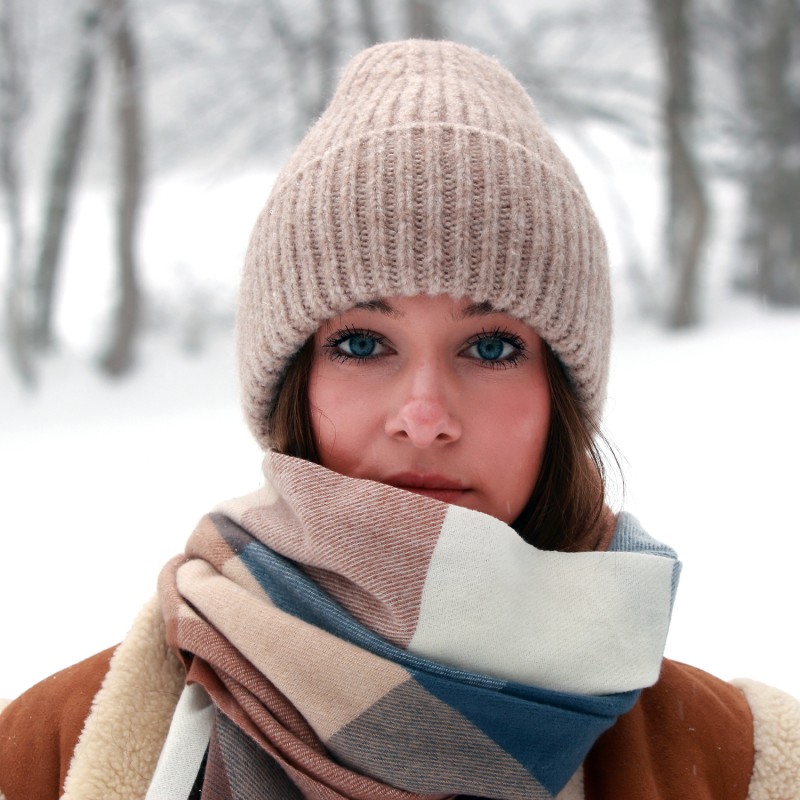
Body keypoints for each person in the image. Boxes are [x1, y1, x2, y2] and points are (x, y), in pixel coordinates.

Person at [1, 39, 798, 800]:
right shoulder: (40, 759)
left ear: (561, 394)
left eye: (490, 346)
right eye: (360, 342)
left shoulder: (743, 769)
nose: (424, 416)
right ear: (291, 383)